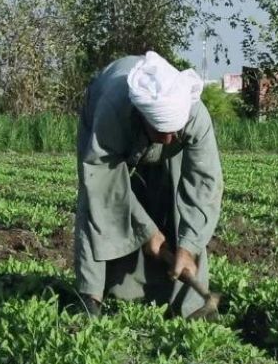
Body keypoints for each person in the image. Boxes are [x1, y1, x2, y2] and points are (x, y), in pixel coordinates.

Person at [74, 50, 224, 318]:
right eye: (161, 132)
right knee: (95, 201)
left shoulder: (194, 115)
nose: (168, 140)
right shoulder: (113, 111)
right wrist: (147, 232)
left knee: (174, 194)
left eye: (173, 132)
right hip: (104, 119)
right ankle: (90, 298)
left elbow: (204, 185)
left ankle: (192, 306)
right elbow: (105, 186)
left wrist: (188, 247)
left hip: (158, 125)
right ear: (142, 116)